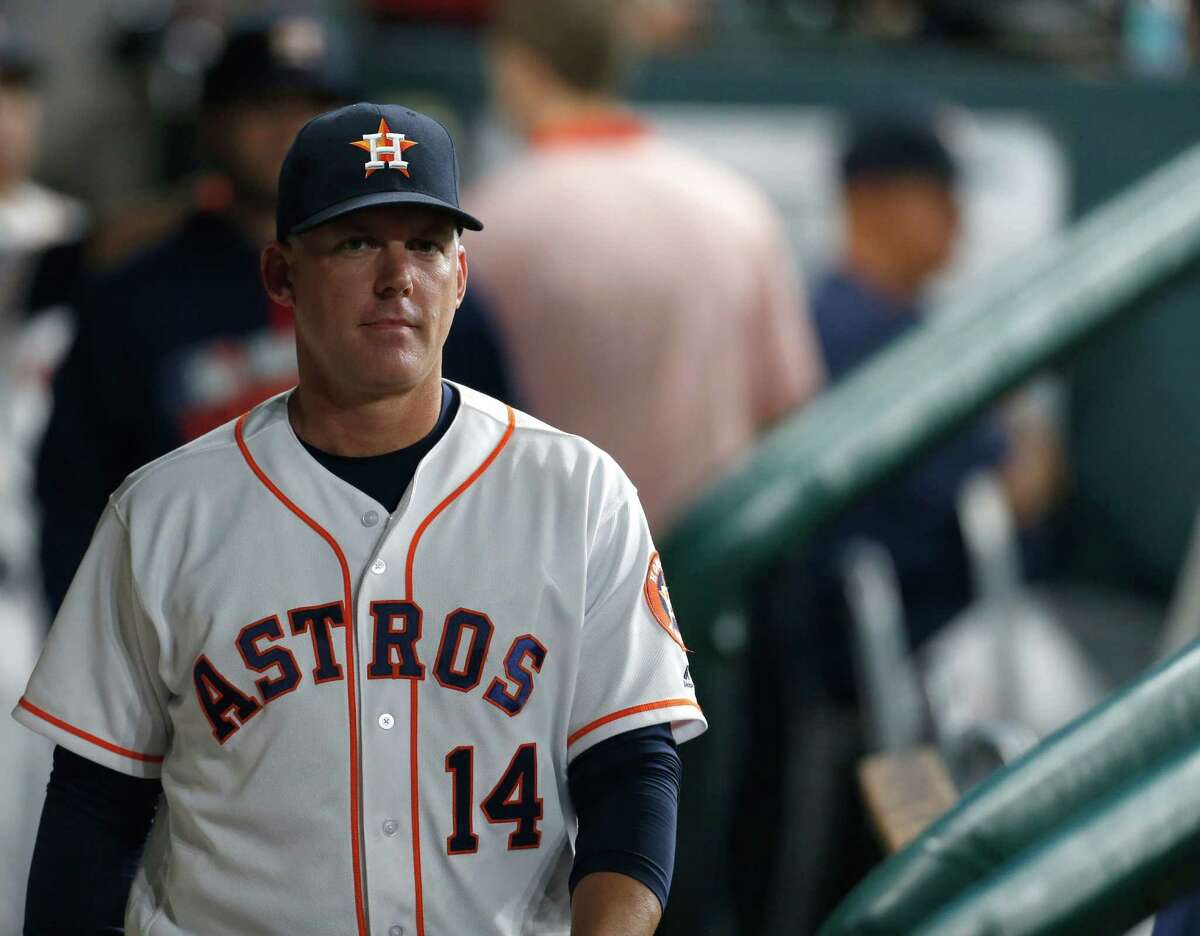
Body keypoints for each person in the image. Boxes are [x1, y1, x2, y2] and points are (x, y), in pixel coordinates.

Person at [16, 101, 706, 935]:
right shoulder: (164, 513)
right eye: (355, 242)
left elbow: (633, 771)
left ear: (460, 274)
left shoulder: (578, 492)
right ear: (281, 275)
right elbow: (93, 809)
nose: (396, 276)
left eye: (425, 244)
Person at [32, 13, 357, 616]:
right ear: (212, 122)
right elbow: (74, 500)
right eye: (265, 105)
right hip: (186, 629)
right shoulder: (133, 296)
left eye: (315, 108)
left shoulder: (406, 282)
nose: (290, 129)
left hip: (375, 629)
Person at [467, 0, 824, 538]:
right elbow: (787, 406)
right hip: (711, 582)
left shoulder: (486, 230)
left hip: (556, 578)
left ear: (518, 68)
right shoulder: (736, 207)